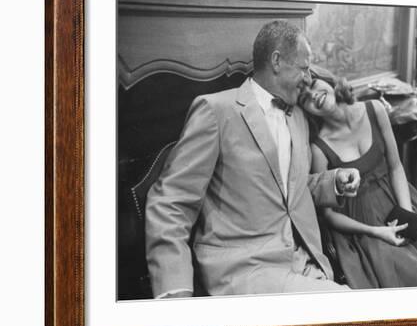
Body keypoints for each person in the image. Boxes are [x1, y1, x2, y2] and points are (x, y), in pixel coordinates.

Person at [145, 20, 360, 298]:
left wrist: (333, 182)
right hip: (245, 270)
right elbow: (170, 203)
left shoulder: (298, 117)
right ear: (277, 61)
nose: (309, 78)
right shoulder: (216, 111)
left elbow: (289, 189)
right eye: (304, 68)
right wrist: (174, 292)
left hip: (305, 261)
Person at [298, 75, 417, 288]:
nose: (314, 95)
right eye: (305, 98)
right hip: (360, 225)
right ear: (306, 111)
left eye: (313, 85)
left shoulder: (374, 109)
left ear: (328, 82)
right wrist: (377, 232)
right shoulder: (318, 148)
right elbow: (329, 215)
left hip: (397, 201)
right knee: (400, 276)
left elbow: (395, 166)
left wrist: (407, 216)